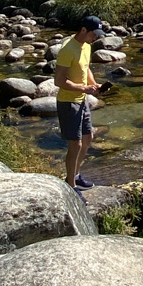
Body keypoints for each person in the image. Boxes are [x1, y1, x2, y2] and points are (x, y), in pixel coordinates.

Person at [54, 15, 104, 191]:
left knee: (88, 137)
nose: (95, 37)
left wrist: (93, 84)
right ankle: (71, 186)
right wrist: (82, 89)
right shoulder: (68, 49)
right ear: (83, 30)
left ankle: (75, 175)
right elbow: (58, 81)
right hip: (68, 102)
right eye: (94, 33)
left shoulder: (87, 47)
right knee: (75, 145)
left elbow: (86, 68)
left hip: (81, 101)